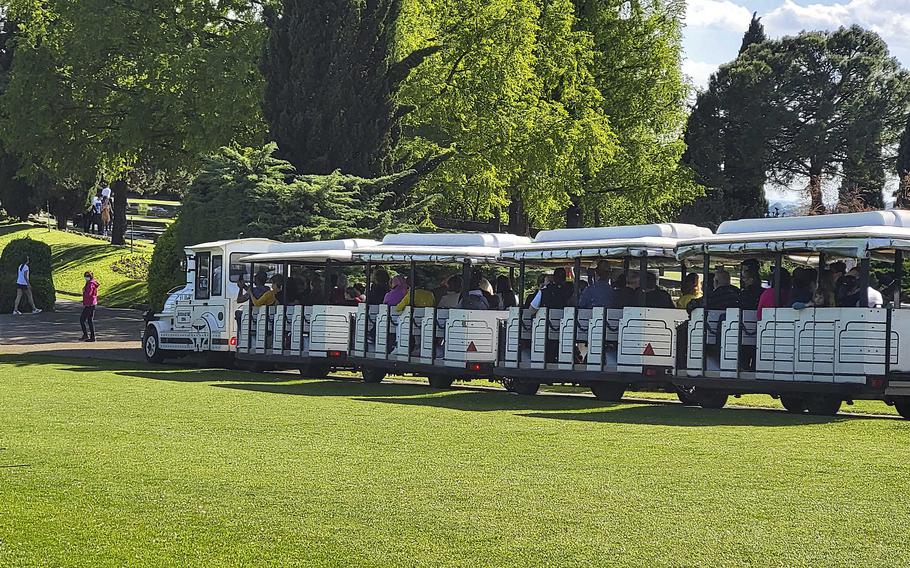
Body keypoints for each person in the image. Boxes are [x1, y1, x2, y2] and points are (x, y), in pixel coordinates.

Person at [80, 271, 98, 341]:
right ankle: (92, 336)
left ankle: (86, 335)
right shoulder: (90, 283)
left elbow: (89, 293)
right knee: (89, 320)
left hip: (89, 304)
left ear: (90, 276)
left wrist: (85, 292)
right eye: (85, 276)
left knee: (82, 320)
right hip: (91, 304)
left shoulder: (90, 283)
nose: (86, 277)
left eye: (87, 276)